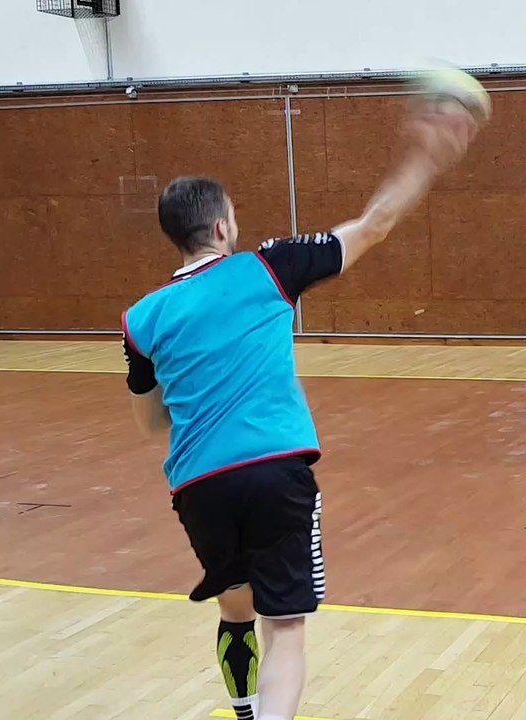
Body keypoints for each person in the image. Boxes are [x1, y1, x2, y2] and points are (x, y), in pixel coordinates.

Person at [120, 102, 478, 720]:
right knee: (284, 625)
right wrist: (426, 154)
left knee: (236, 609)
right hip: (274, 470)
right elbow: (375, 223)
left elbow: (152, 422)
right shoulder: (269, 267)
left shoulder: (140, 319)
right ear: (224, 228)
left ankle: (244, 710)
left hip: (197, 485)